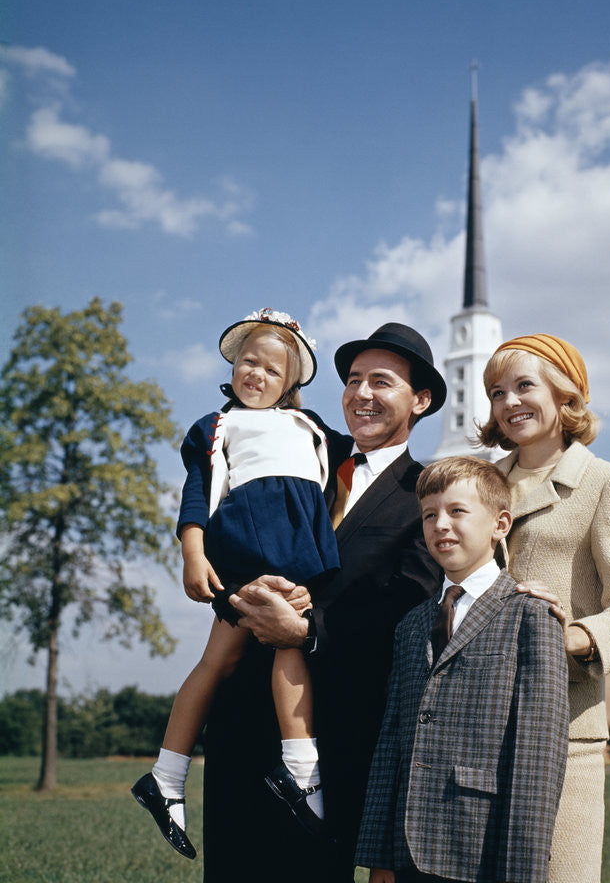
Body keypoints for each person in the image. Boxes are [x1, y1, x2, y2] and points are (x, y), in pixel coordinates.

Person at [201, 323, 447, 883]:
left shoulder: (428, 496)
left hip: (332, 735)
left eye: (380, 382)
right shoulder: (297, 446)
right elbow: (227, 502)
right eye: (353, 380)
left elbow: (404, 612)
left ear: (421, 399)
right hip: (241, 715)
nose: (360, 394)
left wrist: (307, 634)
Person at [132, 308, 340, 858]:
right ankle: (300, 771)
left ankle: (166, 774)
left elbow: (352, 468)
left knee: (221, 658)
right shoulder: (216, 425)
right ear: (232, 365)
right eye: (250, 361)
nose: (258, 375)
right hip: (250, 547)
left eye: (273, 370)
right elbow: (197, 495)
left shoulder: (312, 427)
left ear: (291, 382)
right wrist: (192, 553)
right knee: (283, 645)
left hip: (302, 555)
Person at [476, 334, 610, 883]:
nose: (509, 402)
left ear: (566, 396)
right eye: (496, 392)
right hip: (475, 723)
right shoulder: (478, 485)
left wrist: (568, 637)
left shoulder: (607, 485)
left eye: (524, 386)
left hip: (564, 725)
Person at [356, 456, 569, 883]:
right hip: (405, 850)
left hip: (480, 844)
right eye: (429, 515)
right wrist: (380, 855)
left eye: (457, 511)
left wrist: (521, 871)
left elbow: (536, 759)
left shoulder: (530, 616)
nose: (440, 525)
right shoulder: (412, 623)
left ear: (500, 524)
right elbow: (391, 741)